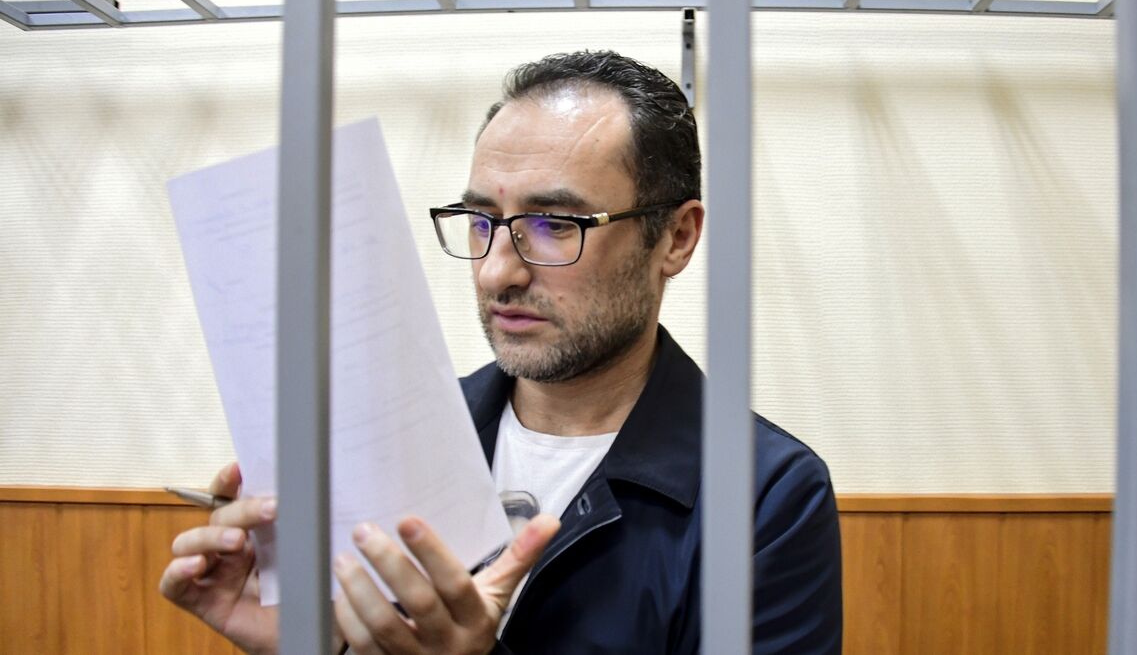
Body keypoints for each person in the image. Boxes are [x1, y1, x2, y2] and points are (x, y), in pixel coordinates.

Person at [160, 50, 842, 654]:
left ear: (676, 237)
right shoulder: (405, 436)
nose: (495, 272)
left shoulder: (766, 496)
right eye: (482, 221)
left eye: (555, 224)